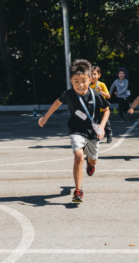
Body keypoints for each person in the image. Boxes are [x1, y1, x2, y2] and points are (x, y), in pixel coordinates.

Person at [39, 59, 110, 203]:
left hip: (93, 132)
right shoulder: (69, 94)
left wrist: (102, 127)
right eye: (76, 81)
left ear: (90, 79)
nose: (80, 84)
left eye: (83, 80)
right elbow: (57, 102)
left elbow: (107, 110)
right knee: (78, 156)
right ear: (71, 81)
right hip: (76, 130)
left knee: (93, 160)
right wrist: (45, 117)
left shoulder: (96, 95)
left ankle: (91, 164)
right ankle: (78, 191)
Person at [91, 66, 113, 143]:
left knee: (106, 123)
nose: (92, 76)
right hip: (93, 108)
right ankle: (96, 136)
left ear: (99, 75)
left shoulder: (101, 84)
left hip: (103, 108)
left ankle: (109, 134)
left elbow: (108, 96)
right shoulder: (87, 85)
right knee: (94, 123)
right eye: (91, 74)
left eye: (94, 74)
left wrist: (101, 92)